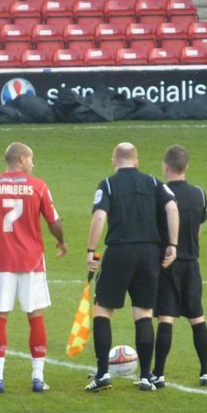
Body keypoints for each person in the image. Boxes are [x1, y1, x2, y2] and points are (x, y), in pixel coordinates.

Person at [0, 142, 67, 393]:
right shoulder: (38, 186)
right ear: (21, 159)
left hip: (1, 261)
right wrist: (61, 240)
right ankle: (38, 378)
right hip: (31, 261)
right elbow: (53, 220)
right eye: (31, 159)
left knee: (0, 317)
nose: (33, 164)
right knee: (35, 315)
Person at [85, 142, 179, 392]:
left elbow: (99, 216)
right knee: (144, 313)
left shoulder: (108, 184)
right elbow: (172, 207)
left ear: (114, 160)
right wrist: (173, 244)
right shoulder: (154, 182)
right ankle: (147, 376)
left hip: (119, 251)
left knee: (102, 311)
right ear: (137, 160)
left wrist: (91, 250)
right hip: (150, 253)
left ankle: (103, 374)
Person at [152, 145, 207, 388]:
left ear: (165, 166)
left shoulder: (159, 193)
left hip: (168, 262)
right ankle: (205, 371)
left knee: (166, 318)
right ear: (186, 167)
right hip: (192, 263)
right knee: (197, 317)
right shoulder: (200, 193)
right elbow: (198, 228)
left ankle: (159, 373)